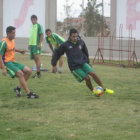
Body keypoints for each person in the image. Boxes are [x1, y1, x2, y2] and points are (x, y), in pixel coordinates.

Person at [51, 28, 114, 95]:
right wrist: (54, 64)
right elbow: (57, 53)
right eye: (73, 36)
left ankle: (103, 89)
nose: (75, 38)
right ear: (70, 36)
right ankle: (94, 91)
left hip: (83, 63)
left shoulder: (81, 42)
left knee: (93, 74)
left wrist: (87, 62)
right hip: (74, 67)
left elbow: (85, 52)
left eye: (76, 36)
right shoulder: (65, 45)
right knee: (87, 78)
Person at [0, 26, 39, 98]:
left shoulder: (12, 40)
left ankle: (18, 88)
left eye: (15, 33)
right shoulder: (3, 42)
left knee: (29, 71)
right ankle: (29, 93)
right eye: (13, 33)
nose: (15, 34)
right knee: (20, 73)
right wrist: (4, 68)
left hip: (13, 61)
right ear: (8, 33)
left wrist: (19, 51)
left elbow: (12, 49)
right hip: (6, 63)